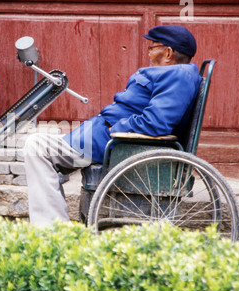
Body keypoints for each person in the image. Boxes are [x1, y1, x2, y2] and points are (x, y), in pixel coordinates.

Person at [23, 25, 203, 226]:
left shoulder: (178, 76)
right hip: (99, 137)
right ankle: (53, 226)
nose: (149, 53)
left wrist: (117, 128)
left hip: (112, 142)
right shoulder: (171, 73)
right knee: (41, 146)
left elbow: (156, 123)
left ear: (168, 52)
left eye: (153, 48)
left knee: (36, 147)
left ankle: (50, 232)